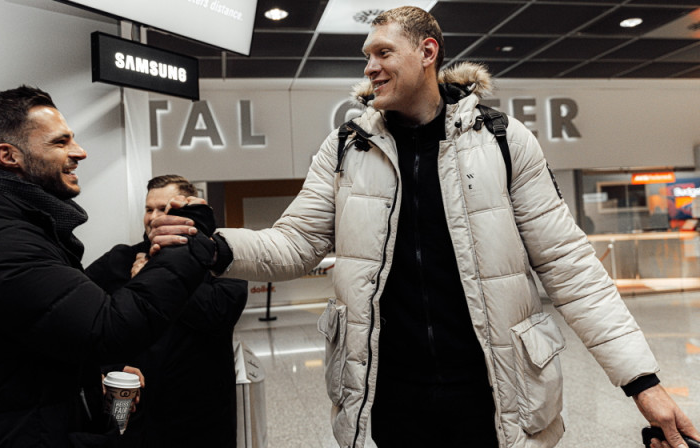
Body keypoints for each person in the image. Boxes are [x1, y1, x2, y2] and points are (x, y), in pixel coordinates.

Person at [149, 6, 698, 448]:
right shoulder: (346, 148)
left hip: (494, 396)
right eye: (366, 56)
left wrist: (642, 382)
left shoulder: (504, 142)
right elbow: (294, 244)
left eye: (383, 52)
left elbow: (569, 265)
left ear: (427, 52)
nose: (369, 67)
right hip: (386, 399)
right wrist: (215, 246)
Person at [0, 86, 217, 447]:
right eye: (60, 142)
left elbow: (40, 338)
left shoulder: (8, 229)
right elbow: (108, 329)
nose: (79, 152)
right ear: (8, 156)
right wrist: (191, 235)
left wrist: (85, 377)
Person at [85, 174, 247, 447]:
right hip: (134, 418)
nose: (153, 216)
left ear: (187, 214)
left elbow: (218, 314)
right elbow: (82, 322)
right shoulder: (120, 259)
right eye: (149, 209)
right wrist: (110, 368)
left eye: (164, 209)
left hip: (200, 420)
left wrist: (155, 278)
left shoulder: (219, 264)